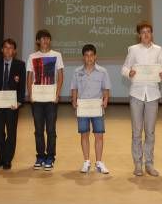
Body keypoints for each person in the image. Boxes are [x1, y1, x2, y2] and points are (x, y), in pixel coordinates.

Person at [121, 21, 162, 176]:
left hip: (153, 94)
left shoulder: (159, 50)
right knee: (136, 131)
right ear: (139, 34)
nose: (146, 34)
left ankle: (149, 163)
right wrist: (129, 73)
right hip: (137, 94)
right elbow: (124, 68)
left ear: (151, 33)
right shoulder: (133, 50)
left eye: (148, 31)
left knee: (150, 131)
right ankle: (138, 164)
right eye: (143, 32)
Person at [26, 29, 64, 171]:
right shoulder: (32, 57)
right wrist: (30, 94)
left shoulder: (57, 55)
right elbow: (29, 77)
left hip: (51, 99)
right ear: (37, 41)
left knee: (51, 129)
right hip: (37, 99)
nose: (45, 41)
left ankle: (50, 157)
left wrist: (57, 94)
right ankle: (40, 156)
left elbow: (60, 76)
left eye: (47, 38)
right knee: (38, 129)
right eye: (42, 39)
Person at [71, 44, 111, 174]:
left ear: (95, 56)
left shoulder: (102, 71)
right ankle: (86, 161)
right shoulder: (77, 72)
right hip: (83, 108)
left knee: (99, 135)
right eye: (86, 55)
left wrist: (105, 100)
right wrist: (73, 100)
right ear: (83, 57)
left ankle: (99, 162)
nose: (89, 58)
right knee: (84, 134)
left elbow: (105, 89)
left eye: (91, 55)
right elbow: (74, 89)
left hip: (97, 108)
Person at [0, 38, 26, 170]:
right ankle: (0, 157)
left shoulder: (20, 65)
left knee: (11, 132)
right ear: (1, 50)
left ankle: (8, 159)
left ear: (14, 51)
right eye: (5, 47)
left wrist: (19, 102)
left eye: (11, 48)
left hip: (12, 105)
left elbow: (22, 87)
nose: (8, 50)